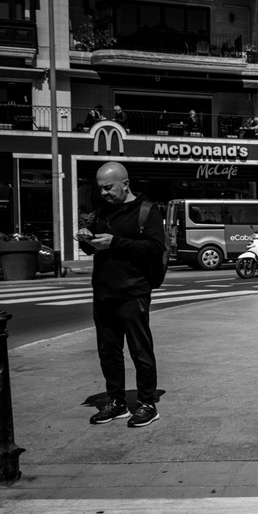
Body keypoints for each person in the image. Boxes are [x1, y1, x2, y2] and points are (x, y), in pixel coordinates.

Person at [76, 162, 166, 428]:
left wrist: (114, 242)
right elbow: (95, 249)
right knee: (108, 351)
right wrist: (85, 239)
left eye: (108, 187)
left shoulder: (147, 210)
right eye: (100, 188)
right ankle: (116, 402)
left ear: (125, 184)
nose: (103, 193)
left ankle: (147, 403)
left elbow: (154, 247)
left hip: (133, 291)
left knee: (140, 350)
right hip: (104, 291)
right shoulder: (103, 211)